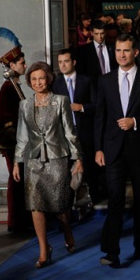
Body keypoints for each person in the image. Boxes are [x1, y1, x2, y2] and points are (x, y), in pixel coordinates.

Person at [94, 33, 140, 267]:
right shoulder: (105, 80)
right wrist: (98, 148)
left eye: (126, 50)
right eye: (118, 51)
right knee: (115, 198)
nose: (121, 55)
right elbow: (100, 117)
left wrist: (135, 122)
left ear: (135, 52)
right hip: (113, 149)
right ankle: (111, 251)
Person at [12, 62, 83, 268]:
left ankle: (67, 230)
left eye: (41, 78)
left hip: (57, 158)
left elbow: (70, 132)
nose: (37, 83)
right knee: (36, 205)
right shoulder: (24, 105)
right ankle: (44, 249)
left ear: (49, 79)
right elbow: (22, 136)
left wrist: (78, 158)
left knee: (60, 205)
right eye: (33, 79)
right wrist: (18, 162)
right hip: (33, 160)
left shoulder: (60, 101)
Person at [52, 49, 103, 203]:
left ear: (73, 62)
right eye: (60, 62)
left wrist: (81, 107)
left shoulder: (87, 80)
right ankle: (70, 204)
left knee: (91, 169)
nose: (63, 65)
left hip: (86, 132)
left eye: (66, 61)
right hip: (66, 135)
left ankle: (97, 201)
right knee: (69, 171)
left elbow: (97, 106)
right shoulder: (55, 84)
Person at [0, 46, 30, 233]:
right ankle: (16, 222)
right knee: (16, 181)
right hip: (13, 143)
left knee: (20, 181)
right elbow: (7, 120)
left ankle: (21, 219)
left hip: (20, 143)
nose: (25, 65)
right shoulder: (8, 88)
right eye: (22, 63)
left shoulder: (15, 86)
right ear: (12, 65)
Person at [75, 20, 117, 86]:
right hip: (93, 86)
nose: (100, 37)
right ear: (91, 33)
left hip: (111, 84)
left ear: (105, 32)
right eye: (96, 34)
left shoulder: (113, 47)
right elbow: (81, 73)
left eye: (102, 33)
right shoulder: (83, 51)